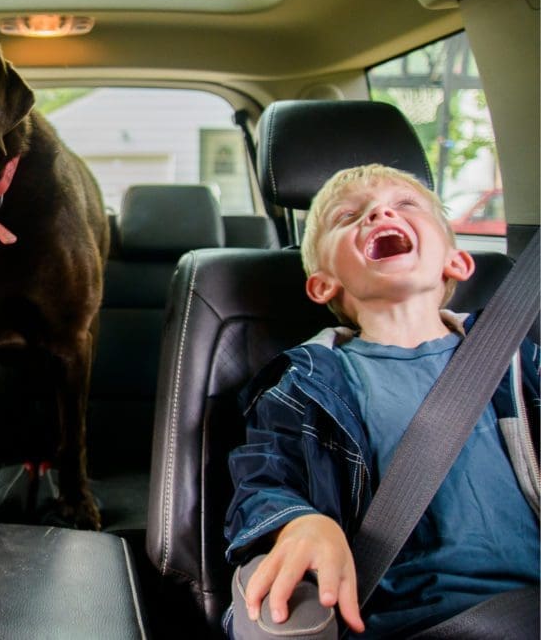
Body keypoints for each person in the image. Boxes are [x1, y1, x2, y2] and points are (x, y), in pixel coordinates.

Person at [224, 164, 539, 638]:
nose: (380, 211)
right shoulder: (306, 383)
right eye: (348, 216)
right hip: (398, 622)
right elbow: (262, 478)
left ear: (457, 260)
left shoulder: (520, 363)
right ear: (322, 283)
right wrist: (300, 522)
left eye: (406, 204)